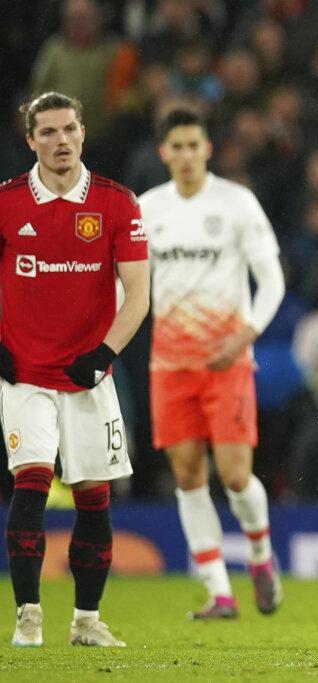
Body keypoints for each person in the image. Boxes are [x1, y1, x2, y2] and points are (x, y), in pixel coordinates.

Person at [1, 92, 150, 647]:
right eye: (48, 132)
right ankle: (28, 617)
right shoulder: (6, 202)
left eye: (69, 129)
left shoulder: (116, 202)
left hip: (90, 375)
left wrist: (104, 354)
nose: (60, 140)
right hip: (24, 374)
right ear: (31, 141)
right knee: (32, 482)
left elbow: (138, 294)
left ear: (83, 133)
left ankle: (86, 621)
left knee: (92, 493)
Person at [139, 108, 286, 620]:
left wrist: (246, 334)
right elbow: (129, 285)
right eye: (176, 146)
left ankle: (261, 555)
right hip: (169, 365)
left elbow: (272, 281)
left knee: (235, 475)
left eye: (193, 145)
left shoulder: (235, 203)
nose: (185, 155)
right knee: (187, 476)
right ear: (164, 153)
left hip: (227, 360)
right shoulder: (147, 209)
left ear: (207, 149)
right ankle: (219, 591)